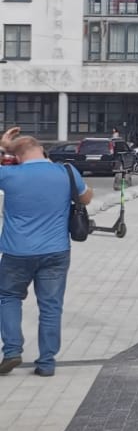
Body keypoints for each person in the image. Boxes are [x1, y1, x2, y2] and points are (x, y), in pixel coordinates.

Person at [0, 126, 92, 377]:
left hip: (16, 252)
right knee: (51, 307)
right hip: (56, 251)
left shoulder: (8, 175)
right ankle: (47, 362)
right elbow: (85, 199)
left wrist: (3, 147)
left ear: (16, 156)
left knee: (8, 298)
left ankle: (11, 351)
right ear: (42, 150)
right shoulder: (66, 171)